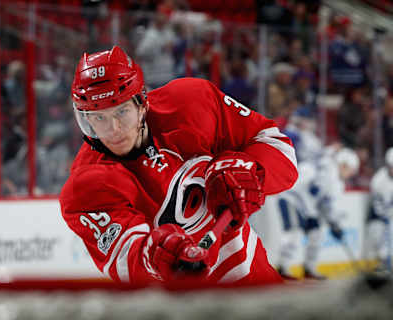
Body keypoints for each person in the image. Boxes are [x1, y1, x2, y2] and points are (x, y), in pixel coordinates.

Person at [60, 46, 298, 285]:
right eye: (99, 117)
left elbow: (280, 149)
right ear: (85, 120)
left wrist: (249, 170)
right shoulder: (85, 186)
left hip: (256, 286)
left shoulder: (191, 103)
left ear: (141, 103)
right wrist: (157, 256)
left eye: (122, 112)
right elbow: (129, 260)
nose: (113, 130)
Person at [276, 147, 360, 280]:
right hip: (292, 198)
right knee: (294, 232)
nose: (350, 174)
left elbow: (321, 201)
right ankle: (282, 268)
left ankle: (309, 268)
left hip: (307, 206)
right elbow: (318, 195)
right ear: (344, 164)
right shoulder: (329, 169)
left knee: (317, 234)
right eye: (350, 170)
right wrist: (333, 222)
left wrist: (332, 222)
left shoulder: (334, 177)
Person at [364, 147, 393, 272]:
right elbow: (378, 205)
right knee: (379, 234)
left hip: (390, 212)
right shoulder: (378, 180)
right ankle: (383, 262)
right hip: (380, 215)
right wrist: (386, 216)